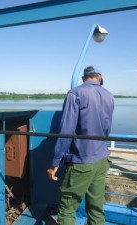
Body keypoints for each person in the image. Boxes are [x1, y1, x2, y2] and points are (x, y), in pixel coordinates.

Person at [47, 66, 114, 225]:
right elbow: (106, 129)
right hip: (101, 159)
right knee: (97, 207)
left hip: (81, 162)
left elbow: (66, 131)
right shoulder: (109, 95)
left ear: (84, 78)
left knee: (67, 209)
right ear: (100, 77)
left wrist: (55, 162)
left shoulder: (75, 93)